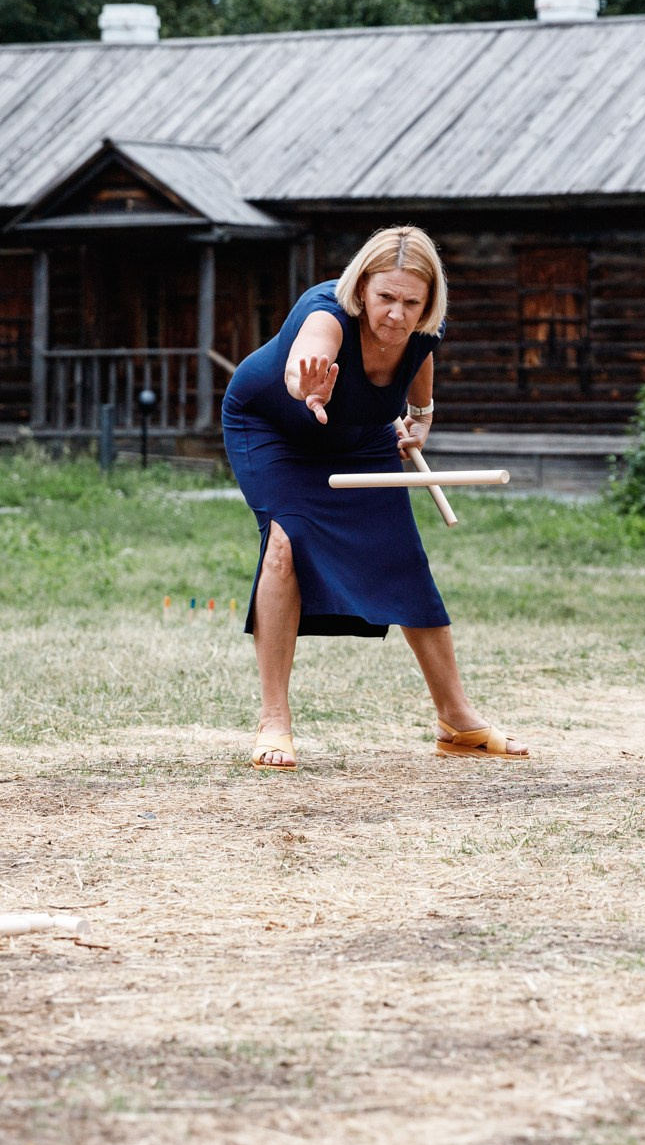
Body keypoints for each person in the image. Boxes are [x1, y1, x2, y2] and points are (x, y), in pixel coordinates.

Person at [220, 226, 529, 769]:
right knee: (285, 543)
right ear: (361, 287)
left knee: (402, 555)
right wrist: (307, 387)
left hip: (363, 437)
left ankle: (457, 721)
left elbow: (417, 362)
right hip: (275, 430)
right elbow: (303, 364)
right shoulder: (325, 313)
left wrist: (421, 416)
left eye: (412, 302)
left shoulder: (422, 330)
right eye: (385, 297)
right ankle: (274, 721)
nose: (396, 314)